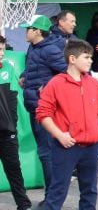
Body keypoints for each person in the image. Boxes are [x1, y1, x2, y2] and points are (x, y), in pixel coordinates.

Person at [36, 40, 98, 210]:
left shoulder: (92, 83)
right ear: (72, 59)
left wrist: (97, 128)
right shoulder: (56, 83)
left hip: (91, 146)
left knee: (90, 191)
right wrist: (60, 135)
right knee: (57, 192)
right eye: (86, 57)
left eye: (91, 57)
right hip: (66, 146)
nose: (90, 60)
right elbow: (42, 113)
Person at [19, 14, 65, 205]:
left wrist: (48, 85)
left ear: (37, 31)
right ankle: (52, 197)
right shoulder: (34, 47)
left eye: (28, 28)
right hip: (34, 106)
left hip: (45, 109)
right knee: (45, 153)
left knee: (47, 154)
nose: (25, 32)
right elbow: (34, 68)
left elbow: (66, 72)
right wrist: (24, 76)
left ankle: (52, 199)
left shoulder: (51, 50)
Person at [0, 35, 32, 210]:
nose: (2, 53)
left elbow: (12, 100)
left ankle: (24, 204)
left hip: (6, 132)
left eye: (3, 49)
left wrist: (11, 125)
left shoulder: (8, 68)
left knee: (14, 169)